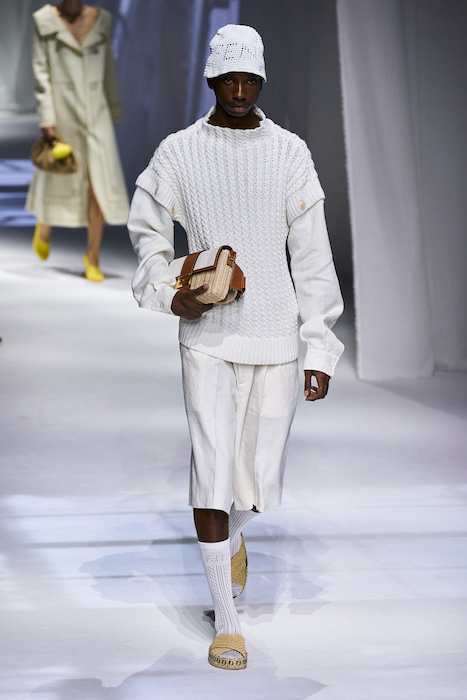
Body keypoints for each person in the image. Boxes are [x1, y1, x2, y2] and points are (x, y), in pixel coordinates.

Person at [128, 24, 344, 669]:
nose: (241, 90)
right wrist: (170, 292)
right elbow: (147, 232)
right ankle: (227, 620)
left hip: (276, 331)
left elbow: (312, 256)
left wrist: (319, 346)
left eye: (251, 79)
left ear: (263, 80)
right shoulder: (178, 152)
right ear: (212, 79)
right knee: (212, 466)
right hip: (208, 335)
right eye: (230, 78)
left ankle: (233, 540)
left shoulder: (289, 152)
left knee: (259, 482)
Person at [26, 0, 129, 282]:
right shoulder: (45, 21)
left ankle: (92, 256)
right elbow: (41, 72)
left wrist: (113, 107)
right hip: (63, 113)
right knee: (59, 176)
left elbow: (107, 66)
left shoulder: (101, 19)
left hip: (97, 114)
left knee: (99, 185)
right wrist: (47, 117)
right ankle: (44, 225)